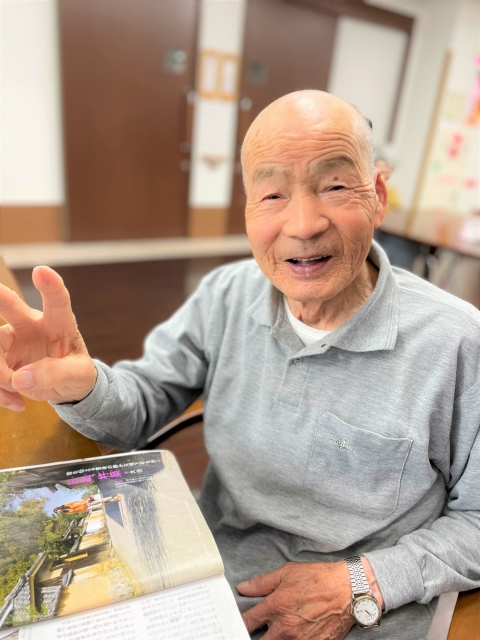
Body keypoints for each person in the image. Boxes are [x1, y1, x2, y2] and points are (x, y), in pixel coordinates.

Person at [0, 90, 479, 640]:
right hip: (208, 583)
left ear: (377, 196)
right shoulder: (226, 295)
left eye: (334, 186)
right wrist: (82, 386)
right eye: (272, 194)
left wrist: (361, 583)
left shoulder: (457, 342)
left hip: (358, 613)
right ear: (248, 209)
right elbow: (140, 405)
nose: (303, 224)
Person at [53, 496, 121, 514]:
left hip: (86, 503)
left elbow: (75, 501)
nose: (58, 512)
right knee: (101, 505)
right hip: (86, 508)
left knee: (101, 500)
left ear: (58, 509)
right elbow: (76, 511)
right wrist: (85, 511)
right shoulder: (66, 512)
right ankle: (113, 500)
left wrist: (85, 501)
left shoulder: (66, 505)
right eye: (57, 512)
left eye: (57, 511)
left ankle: (113, 498)